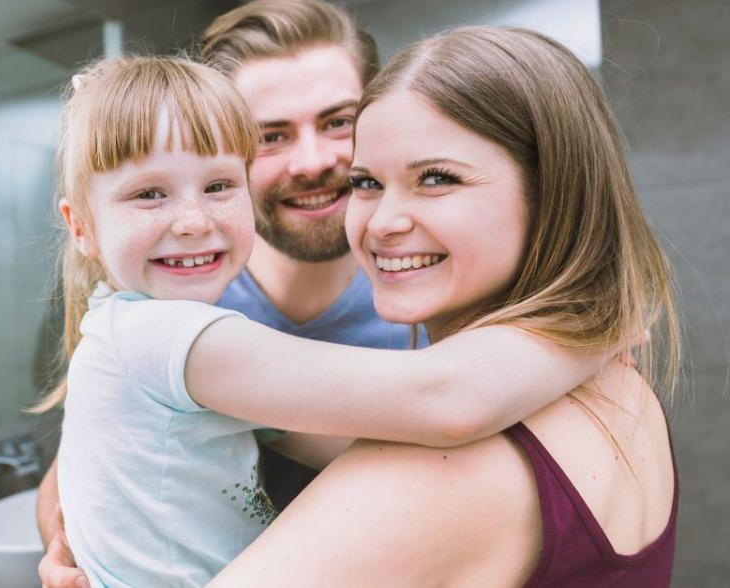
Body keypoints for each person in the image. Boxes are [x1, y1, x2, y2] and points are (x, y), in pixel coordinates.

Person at [36, 54, 614, 587]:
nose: (192, 220)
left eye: (218, 186)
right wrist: (593, 330)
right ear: (80, 227)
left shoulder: (138, 327)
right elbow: (444, 400)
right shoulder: (171, 337)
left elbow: (354, 454)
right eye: (148, 195)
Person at [205, 26, 679, 585]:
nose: (382, 223)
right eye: (366, 182)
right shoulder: (620, 387)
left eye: (436, 178)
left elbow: (446, 414)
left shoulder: (446, 467)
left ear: (552, 189)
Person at [37, 6, 400, 577]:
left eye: (338, 122)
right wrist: (67, 551)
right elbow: (74, 477)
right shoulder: (177, 299)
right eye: (271, 136)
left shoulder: (435, 286)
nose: (314, 161)